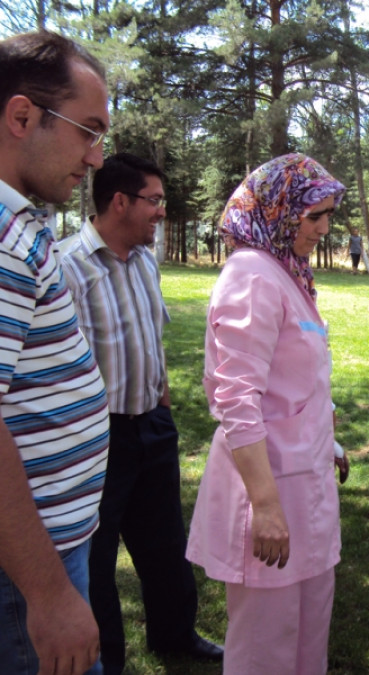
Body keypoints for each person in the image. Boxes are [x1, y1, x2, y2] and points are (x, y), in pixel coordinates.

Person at [60, 153, 222, 673]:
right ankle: (108, 658)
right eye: (153, 201)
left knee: (165, 543)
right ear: (119, 201)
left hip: (152, 423)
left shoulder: (145, 259)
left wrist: (163, 398)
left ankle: (175, 636)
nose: (161, 212)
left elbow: (150, 336)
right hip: (99, 436)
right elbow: (66, 369)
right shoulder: (69, 269)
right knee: (99, 557)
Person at [187, 154, 347, 674]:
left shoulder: (287, 271)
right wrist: (266, 505)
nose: (323, 229)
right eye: (313, 216)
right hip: (269, 491)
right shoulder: (252, 276)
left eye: (328, 216)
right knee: (266, 648)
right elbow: (236, 398)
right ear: (278, 211)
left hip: (307, 487)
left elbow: (291, 385)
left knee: (306, 640)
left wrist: (327, 440)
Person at [0, 31, 110, 675]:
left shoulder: (22, 228)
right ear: (22, 117)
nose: (96, 158)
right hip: (23, 574)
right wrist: (47, 595)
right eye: (86, 131)